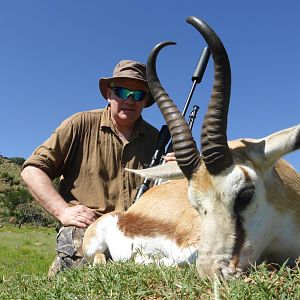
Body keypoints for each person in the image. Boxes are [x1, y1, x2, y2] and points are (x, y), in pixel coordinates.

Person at [21, 60, 174, 276]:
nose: (129, 100)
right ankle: (64, 264)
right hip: (87, 224)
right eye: (122, 91)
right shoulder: (80, 124)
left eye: (138, 94)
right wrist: (63, 211)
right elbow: (32, 170)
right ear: (109, 95)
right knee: (82, 276)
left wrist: (176, 171)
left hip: (136, 229)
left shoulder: (156, 140)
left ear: (145, 100)